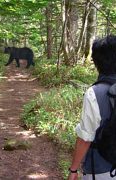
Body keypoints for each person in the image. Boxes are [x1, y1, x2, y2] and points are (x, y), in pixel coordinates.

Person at [68, 35, 116, 180]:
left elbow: (85, 138)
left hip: (102, 170)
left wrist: (73, 170)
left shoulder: (94, 93)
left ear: (96, 61)